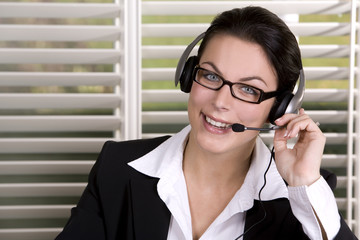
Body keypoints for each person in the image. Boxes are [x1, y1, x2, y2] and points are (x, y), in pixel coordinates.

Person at [56, 6, 357, 240]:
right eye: (211, 76)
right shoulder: (118, 168)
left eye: (248, 89)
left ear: (280, 108)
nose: (221, 102)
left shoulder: (301, 196)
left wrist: (304, 183)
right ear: (189, 76)